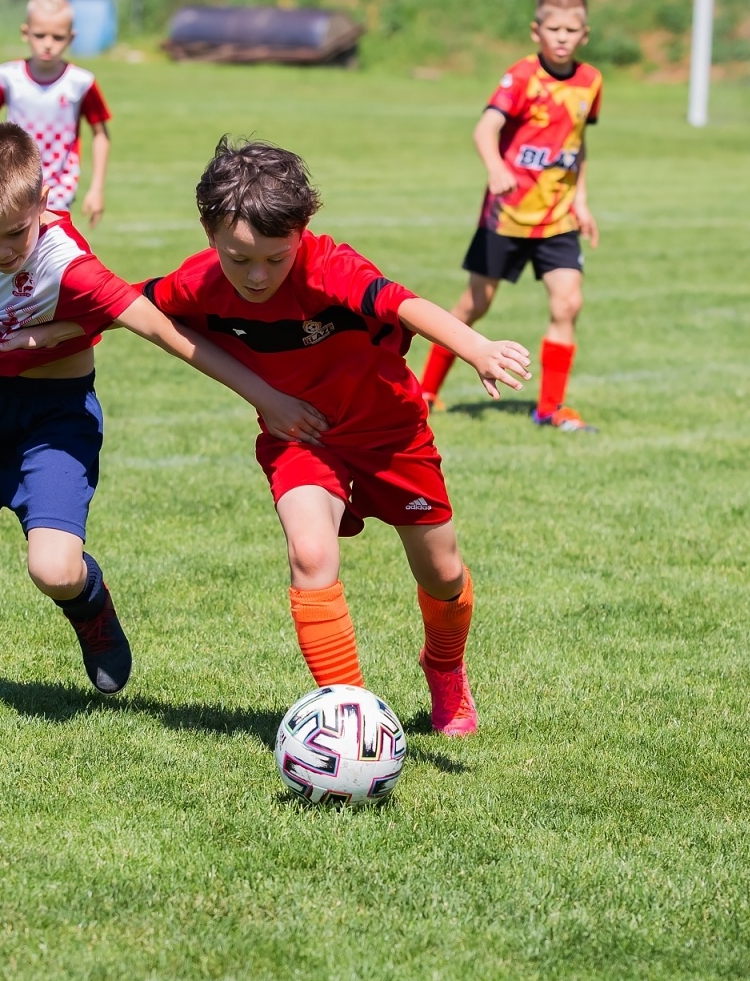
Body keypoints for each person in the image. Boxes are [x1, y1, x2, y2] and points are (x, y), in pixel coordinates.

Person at [0, 124, 326, 709]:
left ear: (43, 201)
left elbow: (166, 332)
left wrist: (265, 397)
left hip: (53, 419)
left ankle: (91, 609)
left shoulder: (69, 266)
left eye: (14, 233)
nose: (0, 251)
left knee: (54, 569)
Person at [140, 139, 531, 735]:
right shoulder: (199, 282)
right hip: (302, 438)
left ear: (302, 229)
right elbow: (129, 307)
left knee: (443, 573)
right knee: (311, 553)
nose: (257, 275)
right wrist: (45, 329)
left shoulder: (330, 267)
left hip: (391, 435)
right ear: (208, 233)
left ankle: (445, 670)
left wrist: (475, 347)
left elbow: (403, 304)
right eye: (238, 258)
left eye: (275, 258)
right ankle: (348, 717)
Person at [417, 0, 602, 433]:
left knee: (568, 303)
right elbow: (486, 129)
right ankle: (424, 392)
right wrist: (496, 167)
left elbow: (578, 144)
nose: (561, 37)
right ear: (536, 31)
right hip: (507, 215)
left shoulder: (590, 82)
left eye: (571, 30)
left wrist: (581, 199)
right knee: (474, 305)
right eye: (553, 29)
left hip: (557, 218)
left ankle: (550, 410)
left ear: (585, 34)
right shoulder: (521, 77)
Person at [0, 0, 112, 228]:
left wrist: (96, 188)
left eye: (57, 37)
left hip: (59, 188)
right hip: (11, 180)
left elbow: (101, 135)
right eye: (39, 35)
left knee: (48, 254)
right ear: (25, 33)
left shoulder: (81, 83)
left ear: (71, 38)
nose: (48, 44)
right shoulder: (7, 76)